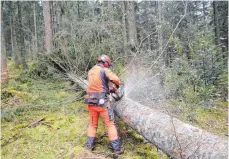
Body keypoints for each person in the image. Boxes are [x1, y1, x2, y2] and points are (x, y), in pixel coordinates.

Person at [84, 55, 123, 155]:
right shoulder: (104, 70)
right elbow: (116, 79)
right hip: (102, 103)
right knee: (110, 124)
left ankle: (89, 146)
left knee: (92, 124)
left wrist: (110, 89)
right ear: (105, 63)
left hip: (90, 102)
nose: (107, 66)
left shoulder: (91, 71)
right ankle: (117, 150)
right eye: (107, 65)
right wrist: (117, 86)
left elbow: (97, 85)